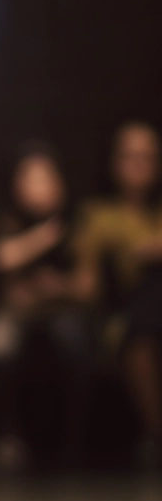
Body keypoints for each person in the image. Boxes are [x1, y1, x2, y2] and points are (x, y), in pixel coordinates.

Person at [0, 143, 90, 471]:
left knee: (75, 340)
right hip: (16, 311)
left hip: (61, 308)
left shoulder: (77, 222)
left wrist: (57, 287)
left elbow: (87, 284)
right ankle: (7, 435)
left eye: (46, 179)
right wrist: (43, 238)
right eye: (31, 179)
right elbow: (0, 260)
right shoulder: (7, 219)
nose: (39, 187)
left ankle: (75, 440)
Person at [72, 121, 162, 466]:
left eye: (148, 156)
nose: (140, 164)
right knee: (142, 329)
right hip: (129, 313)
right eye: (130, 155)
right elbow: (87, 284)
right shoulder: (99, 216)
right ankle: (155, 435)